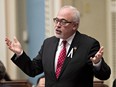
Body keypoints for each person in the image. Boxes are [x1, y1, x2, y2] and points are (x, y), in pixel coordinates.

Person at [5, 5, 111, 87]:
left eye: (63, 21)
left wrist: (97, 63)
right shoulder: (48, 44)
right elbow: (33, 70)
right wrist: (20, 53)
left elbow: (104, 75)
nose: (57, 25)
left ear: (75, 25)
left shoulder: (88, 45)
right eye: (56, 20)